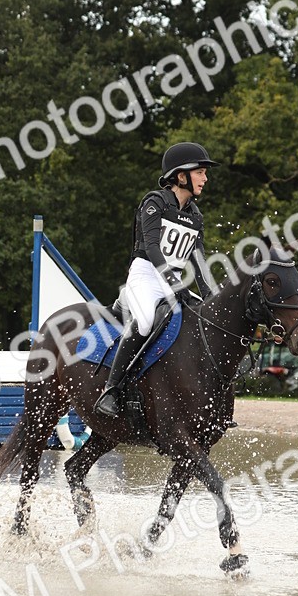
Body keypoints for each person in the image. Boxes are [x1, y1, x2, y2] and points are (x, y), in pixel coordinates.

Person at [94, 141, 218, 418]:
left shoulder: (195, 216)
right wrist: (175, 284)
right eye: (200, 172)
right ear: (181, 175)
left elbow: (198, 259)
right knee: (147, 321)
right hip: (146, 274)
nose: (205, 178)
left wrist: (210, 294)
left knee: (202, 320)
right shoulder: (155, 202)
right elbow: (152, 248)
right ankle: (111, 390)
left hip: (173, 279)